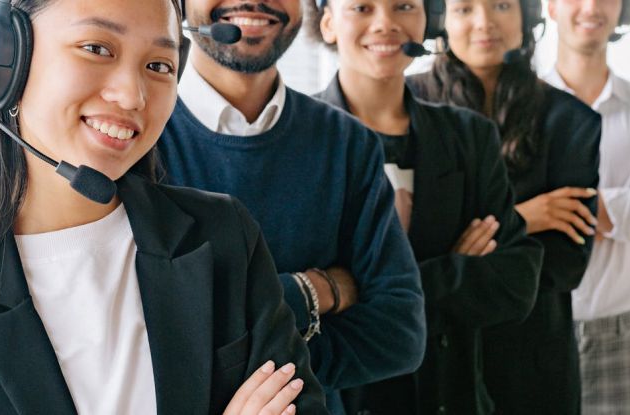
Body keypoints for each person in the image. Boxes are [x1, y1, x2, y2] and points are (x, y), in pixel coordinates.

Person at [0, 0, 329, 413]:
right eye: (97, 48)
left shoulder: (222, 236)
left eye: (159, 66)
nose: (133, 95)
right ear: (3, 62)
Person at [157, 0, 427, 410]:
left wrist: (230, 366)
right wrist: (314, 291)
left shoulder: (348, 143)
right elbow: (145, 341)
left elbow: (399, 336)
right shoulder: (137, 142)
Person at [307, 0, 543, 412]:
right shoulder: (298, 141)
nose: (386, 24)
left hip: (453, 397)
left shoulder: (470, 136)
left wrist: (358, 290)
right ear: (328, 23)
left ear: (427, 20)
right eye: (362, 7)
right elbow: (291, 305)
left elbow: (516, 282)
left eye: (403, 6)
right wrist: (455, 268)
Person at [409, 0, 601, 412]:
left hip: (531, 360)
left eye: (501, 5)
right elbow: (398, 259)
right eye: (464, 9)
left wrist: (453, 255)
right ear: (442, 21)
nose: (484, 23)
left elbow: (564, 264)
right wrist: (522, 221)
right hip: (428, 356)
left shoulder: (571, 121)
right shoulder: (403, 106)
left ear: (526, 17)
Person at [544, 0, 630, 412]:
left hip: (628, 329)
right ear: (548, 7)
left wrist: (565, 206)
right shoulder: (525, 105)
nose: (591, 6)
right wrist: (626, 203)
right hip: (536, 328)